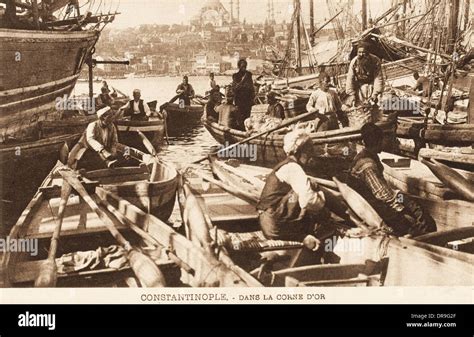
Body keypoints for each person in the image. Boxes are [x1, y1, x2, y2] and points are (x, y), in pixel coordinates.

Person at [347, 123, 436, 237]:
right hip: (369, 206)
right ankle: (419, 236)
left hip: (371, 201)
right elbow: (384, 195)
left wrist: (405, 200)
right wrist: (403, 210)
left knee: (413, 206)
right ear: (379, 141)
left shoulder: (367, 155)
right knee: (414, 221)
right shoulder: (367, 164)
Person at [256, 129, 328, 246]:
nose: (312, 154)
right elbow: (309, 200)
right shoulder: (293, 168)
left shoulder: (286, 165)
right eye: (309, 149)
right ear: (301, 151)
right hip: (274, 226)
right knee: (310, 192)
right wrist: (323, 200)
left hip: (268, 223)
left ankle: (303, 232)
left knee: (307, 186)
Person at [346, 42, 383, 107]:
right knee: (361, 107)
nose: (361, 54)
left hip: (373, 84)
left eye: (363, 52)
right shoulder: (354, 62)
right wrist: (351, 94)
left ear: (368, 53)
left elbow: (378, 78)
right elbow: (350, 78)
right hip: (360, 86)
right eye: (359, 52)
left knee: (376, 105)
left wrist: (375, 93)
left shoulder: (375, 61)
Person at [232, 58, 255, 129]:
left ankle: (246, 130)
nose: (244, 68)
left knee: (247, 116)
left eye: (245, 66)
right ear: (239, 67)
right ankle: (240, 129)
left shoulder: (249, 74)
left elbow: (251, 87)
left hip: (247, 99)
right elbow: (235, 88)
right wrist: (243, 82)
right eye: (242, 67)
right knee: (239, 116)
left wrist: (253, 97)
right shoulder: (235, 76)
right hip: (239, 99)